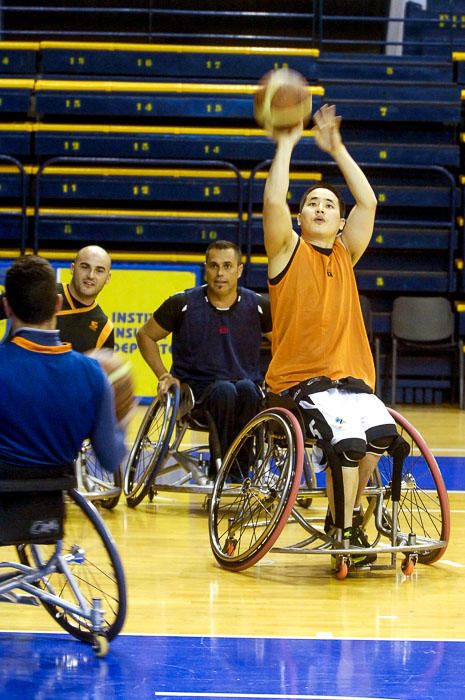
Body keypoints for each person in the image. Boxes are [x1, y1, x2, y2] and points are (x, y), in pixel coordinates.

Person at [263, 104, 400, 567]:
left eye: (329, 205)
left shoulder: (345, 254)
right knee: (348, 446)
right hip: (300, 382)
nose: (320, 208)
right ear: (301, 217)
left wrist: (336, 148)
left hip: (352, 380)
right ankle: (344, 528)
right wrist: (286, 144)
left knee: (382, 436)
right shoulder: (286, 251)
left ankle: (350, 510)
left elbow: (369, 202)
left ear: (340, 223)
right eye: (312, 203)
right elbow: (272, 203)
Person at [137, 240, 272, 474]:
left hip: (244, 389)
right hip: (195, 395)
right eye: (214, 266)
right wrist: (163, 375)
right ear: (205, 267)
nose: (220, 273)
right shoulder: (183, 303)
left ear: (239, 270)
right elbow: (145, 335)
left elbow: (282, 343)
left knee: (249, 390)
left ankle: (241, 469)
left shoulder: (257, 305)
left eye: (228, 266)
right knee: (225, 390)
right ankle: (221, 470)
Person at [0, 254, 126, 472]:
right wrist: (122, 417)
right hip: (52, 500)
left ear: (7, 307)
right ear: (57, 303)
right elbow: (111, 458)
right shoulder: (93, 374)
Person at [56, 245, 114, 352]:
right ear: (72, 268)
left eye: (99, 270)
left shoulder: (104, 328)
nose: (91, 275)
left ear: (108, 278)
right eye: (85, 267)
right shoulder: (46, 295)